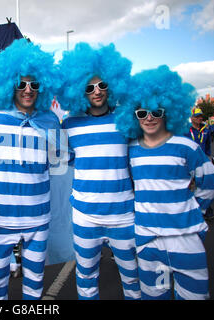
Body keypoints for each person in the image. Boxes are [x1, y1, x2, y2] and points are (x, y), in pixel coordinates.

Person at [115, 65, 214, 299]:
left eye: (156, 111)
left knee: (194, 296)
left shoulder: (187, 147)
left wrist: (196, 211)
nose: (149, 117)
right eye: (142, 113)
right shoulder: (131, 150)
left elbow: (210, 183)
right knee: (155, 295)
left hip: (185, 240)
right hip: (149, 242)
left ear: (168, 111)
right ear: (134, 116)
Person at [58, 42, 141, 300]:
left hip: (123, 215)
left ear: (112, 85)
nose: (97, 91)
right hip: (85, 215)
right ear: (79, 90)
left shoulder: (126, 120)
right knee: (85, 277)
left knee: (132, 277)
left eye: (103, 85)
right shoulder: (69, 124)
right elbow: (65, 161)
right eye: (90, 87)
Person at [0, 38, 61, 300]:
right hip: (1, 218)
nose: (28, 89)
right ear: (10, 84)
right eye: (21, 84)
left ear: (42, 87)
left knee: (35, 284)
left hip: (39, 218)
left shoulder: (50, 121)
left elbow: (59, 167)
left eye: (34, 84)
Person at [185, 108, 214, 221]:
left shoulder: (206, 129)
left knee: (205, 185)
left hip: (203, 162)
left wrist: (209, 158)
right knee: (189, 186)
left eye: (200, 116)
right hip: (189, 162)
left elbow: (208, 146)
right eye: (197, 116)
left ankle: (207, 211)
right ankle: (190, 211)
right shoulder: (185, 130)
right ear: (192, 117)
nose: (199, 118)